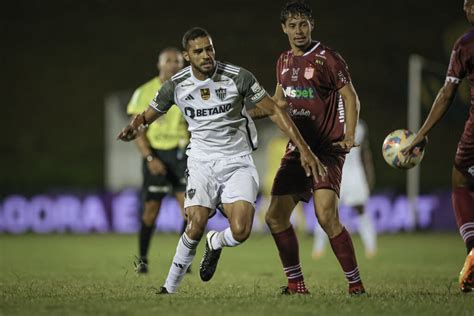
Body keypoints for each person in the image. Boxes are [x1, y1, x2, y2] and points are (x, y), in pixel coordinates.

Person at [117, 27, 327, 294]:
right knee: (195, 224)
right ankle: (169, 288)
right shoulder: (175, 85)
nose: (206, 55)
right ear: (187, 55)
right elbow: (147, 115)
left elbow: (273, 110)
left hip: (237, 161)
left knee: (241, 231)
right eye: (199, 51)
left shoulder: (238, 77)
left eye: (209, 49)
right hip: (201, 162)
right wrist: (133, 127)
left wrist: (305, 149)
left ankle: (215, 242)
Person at [249, 1, 365, 295]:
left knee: (326, 216)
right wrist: (242, 114)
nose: (298, 31)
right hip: (298, 150)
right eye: (292, 25)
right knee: (275, 217)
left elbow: (351, 98)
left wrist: (349, 135)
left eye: (303, 24)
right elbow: (279, 104)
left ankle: (356, 285)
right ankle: (296, 284)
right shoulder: (283, 61)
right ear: (284, 29)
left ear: (311, 25)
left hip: (326, 148)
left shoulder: (328, 59)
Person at [402, 0, 474, 293]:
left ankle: (472, 249)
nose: (468, 7)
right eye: (467, 3)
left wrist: (421, 133)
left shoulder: (465, 44)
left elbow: (447, 93)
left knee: (460, 180)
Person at [126, 47, 189, 274]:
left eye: (178, 62)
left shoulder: (188, 89)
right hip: (157, 154)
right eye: (169, 61)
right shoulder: (144, 91)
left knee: (190, 211)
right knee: (151, 209)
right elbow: (137, 130)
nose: (173, 65)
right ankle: (142, 259)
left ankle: (183, 260)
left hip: (182, 156)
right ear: (159, 64)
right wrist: (150, 157)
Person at [312, 119, 377, 260]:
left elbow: (365, 153)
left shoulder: (360, 127)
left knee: (361, 209)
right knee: (325, 209)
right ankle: (318, 249)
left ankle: (371, 247)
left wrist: (369, 177)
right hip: (334, 171)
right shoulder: (329, 123)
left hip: (355, 174)